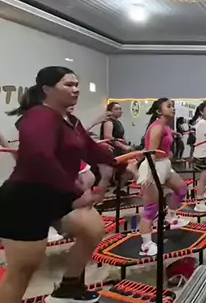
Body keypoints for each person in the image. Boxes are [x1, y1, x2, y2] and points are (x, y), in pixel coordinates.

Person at [0, 66, 126, 303]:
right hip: (26, 198)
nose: (75, 89)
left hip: (56, 195)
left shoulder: (70, 120)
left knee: (92, 229)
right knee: (24, 269)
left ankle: (68, 288)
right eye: (68, 85)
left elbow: (90, 147)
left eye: (77, 85)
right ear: (47, 89)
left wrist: (120, 163)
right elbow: (40, 158)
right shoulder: (38, 116)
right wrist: (74, 191)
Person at [137, 98, 189, 256]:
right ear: (159, 111)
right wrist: (148, 177)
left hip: (165, 164)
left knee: (182, 189)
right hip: (154, 166)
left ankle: (171, 218)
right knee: (151, 209)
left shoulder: (165, 126)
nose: (173, 108)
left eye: (172, 106)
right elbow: (150, 153)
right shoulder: (157, 127)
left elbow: (164, 143)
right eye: (169, 106)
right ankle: (146, 244)